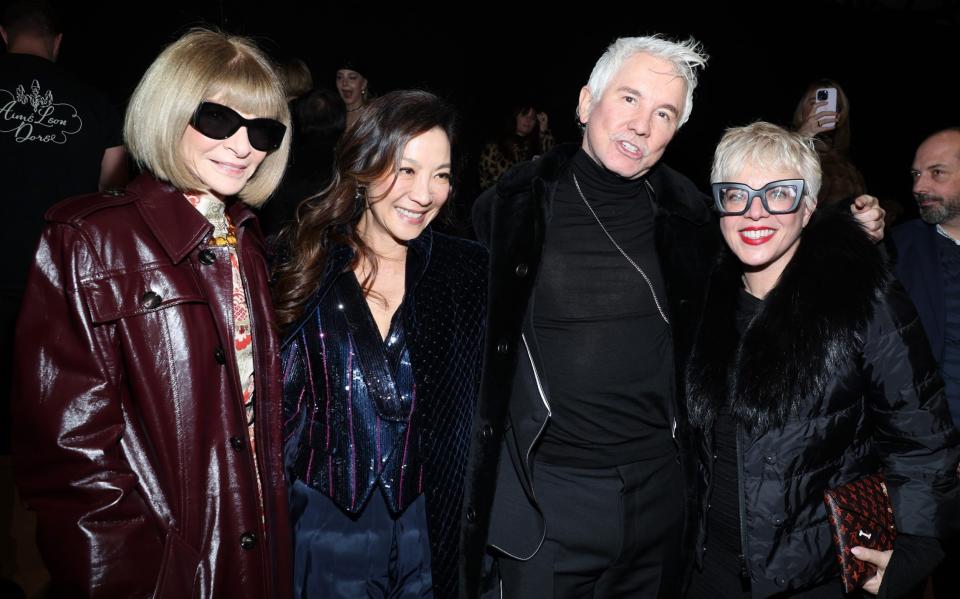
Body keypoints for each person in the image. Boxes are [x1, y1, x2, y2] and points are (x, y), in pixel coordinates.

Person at [462, 35, 887, 598]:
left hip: (663, 502)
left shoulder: (690, 218)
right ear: (587, 103)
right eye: (630, 99)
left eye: (664, 113)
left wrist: (844, 231)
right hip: (547, 502)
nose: (642, 124)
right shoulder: (505, 211)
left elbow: (771, 240)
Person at [12, 29, 293, 598]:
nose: (243, 146)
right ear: (169, 112)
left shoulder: (247, 240)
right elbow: (71, 460)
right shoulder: (89, 239)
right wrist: (140, 578)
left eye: (262, 129)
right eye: (217, 119)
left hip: (254, 554)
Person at [685, 121, 959, 598]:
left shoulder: (864, 301)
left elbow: (922, 437)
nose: (756, 212)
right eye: (737, 194)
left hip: (819, 578)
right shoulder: (701, 301)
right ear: (719, 203)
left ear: (808, 207)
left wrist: (917, 548)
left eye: (780, 193)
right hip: (705, 573)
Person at [273, 89, 487, 598]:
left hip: (428, 528)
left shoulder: (465, 272)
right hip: (322, 528)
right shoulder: (299, 265)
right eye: (406, 170)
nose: (424, 193)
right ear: (364, 167)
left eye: (441, 175)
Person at [890, 126, 960, 599]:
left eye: (937, 173)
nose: (918, 186)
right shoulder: (896, 249)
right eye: (916, 174)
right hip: (919, 466)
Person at [792, 79, 867, 207]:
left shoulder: (845, 160)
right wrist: (804, 135)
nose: (822, 108)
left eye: (832, 105)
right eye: (814, 102)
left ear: (839, 114)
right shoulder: (783, 142)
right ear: (802, 109)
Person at [477, 102, 554, 190]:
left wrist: (544, 129)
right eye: (524, 115)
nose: (528, 120)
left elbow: (551, 164)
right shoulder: (495, 146)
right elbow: (487, 183)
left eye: (533, 118)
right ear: (515, 117)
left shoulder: (535, 146)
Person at [336, 60, 370, 130]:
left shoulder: (374, 115)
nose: (344, 83)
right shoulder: (331, 115)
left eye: (352, 77)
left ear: (363, 84)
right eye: (339, 77)